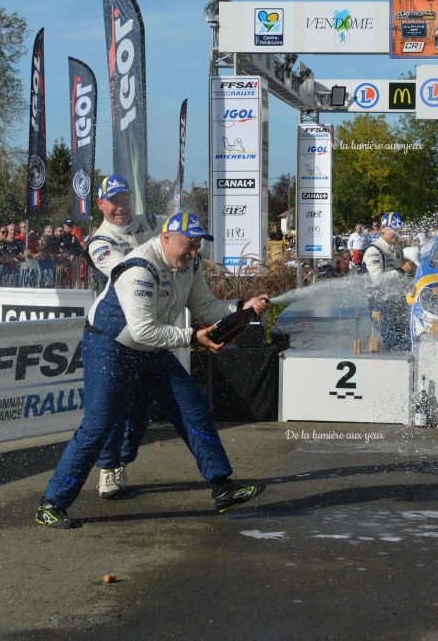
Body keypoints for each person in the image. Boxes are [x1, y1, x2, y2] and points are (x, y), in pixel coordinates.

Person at [35, 212, 270, 528]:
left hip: (150, 345)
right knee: (100, 423)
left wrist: (241, 307)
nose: (191, 254)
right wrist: (192, 337)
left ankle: (223, 488)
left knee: (193, 407)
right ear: (166, 237)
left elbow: (205, 307)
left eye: (197, 247)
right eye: (187, 246)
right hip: (111, 344)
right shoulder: (139, 268)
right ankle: (51, 503)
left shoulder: (190, 263)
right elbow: (144, 330)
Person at [84, 175, 160, 498]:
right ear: (101, 204)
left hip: (147, 328)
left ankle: (122, 460)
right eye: (113, 200)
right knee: (112, 406)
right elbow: (125, 273)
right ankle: (106, 470)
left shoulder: (150, 222)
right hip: (113, 332)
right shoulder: (99, 241)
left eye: (125, 198)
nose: (120, 206)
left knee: (143, 407)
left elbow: (178, 236)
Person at [363, 212, 415, 351]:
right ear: (383, 229)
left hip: (396, 300)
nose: (396, 234)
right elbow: (378, 280)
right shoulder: (374, 251)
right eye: (393, 231)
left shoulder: (397, 250)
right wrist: (403, 270)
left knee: (405, 340)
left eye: (398, 231)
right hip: (380, 303)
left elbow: (400, 277)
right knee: (394, 343)